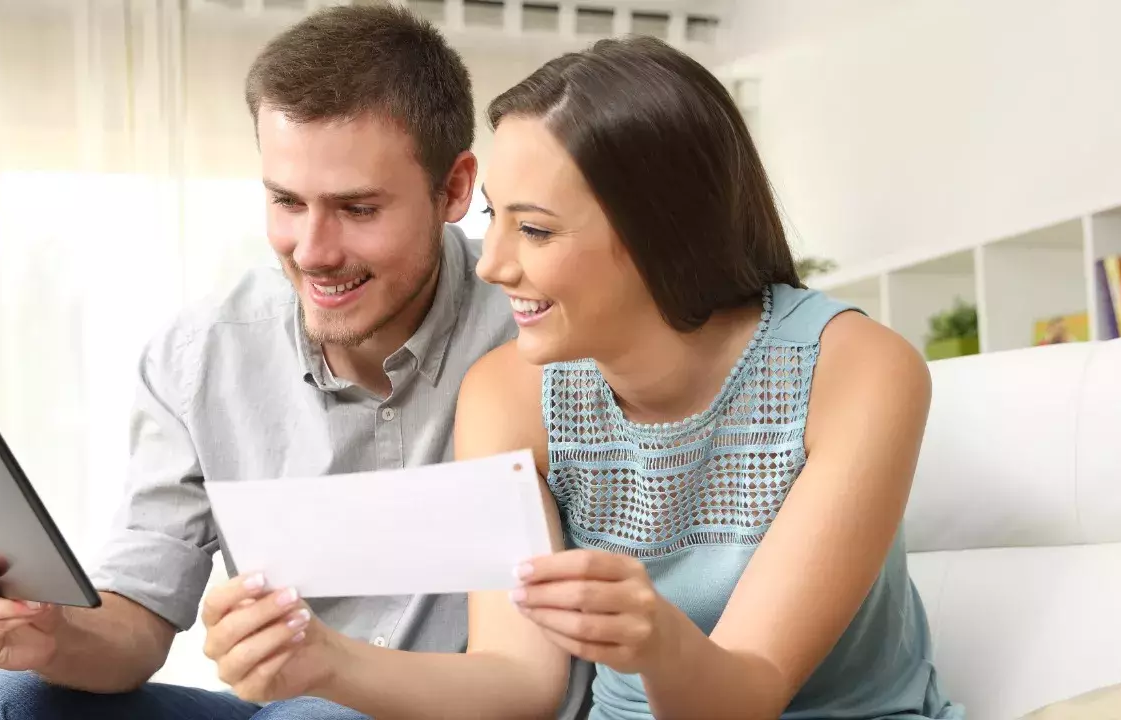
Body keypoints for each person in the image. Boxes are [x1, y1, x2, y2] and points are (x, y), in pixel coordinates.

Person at [213, 36, 964, 720]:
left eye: (534, 228)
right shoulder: (507, 392)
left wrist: (659, 645)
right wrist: (327, 660)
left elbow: (751, 692)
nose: (493, 264)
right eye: (492, 217)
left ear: (659, 231)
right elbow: (520, 680)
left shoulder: (855, 369)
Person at [0, 6, 523, 720]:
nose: (312, 250)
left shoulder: (531, 327)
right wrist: (49, 634)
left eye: (358, 209)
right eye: (286, 201)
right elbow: (136, 622)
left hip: (442, 710)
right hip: (280, 710)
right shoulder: (199, 356)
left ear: (454, 190)